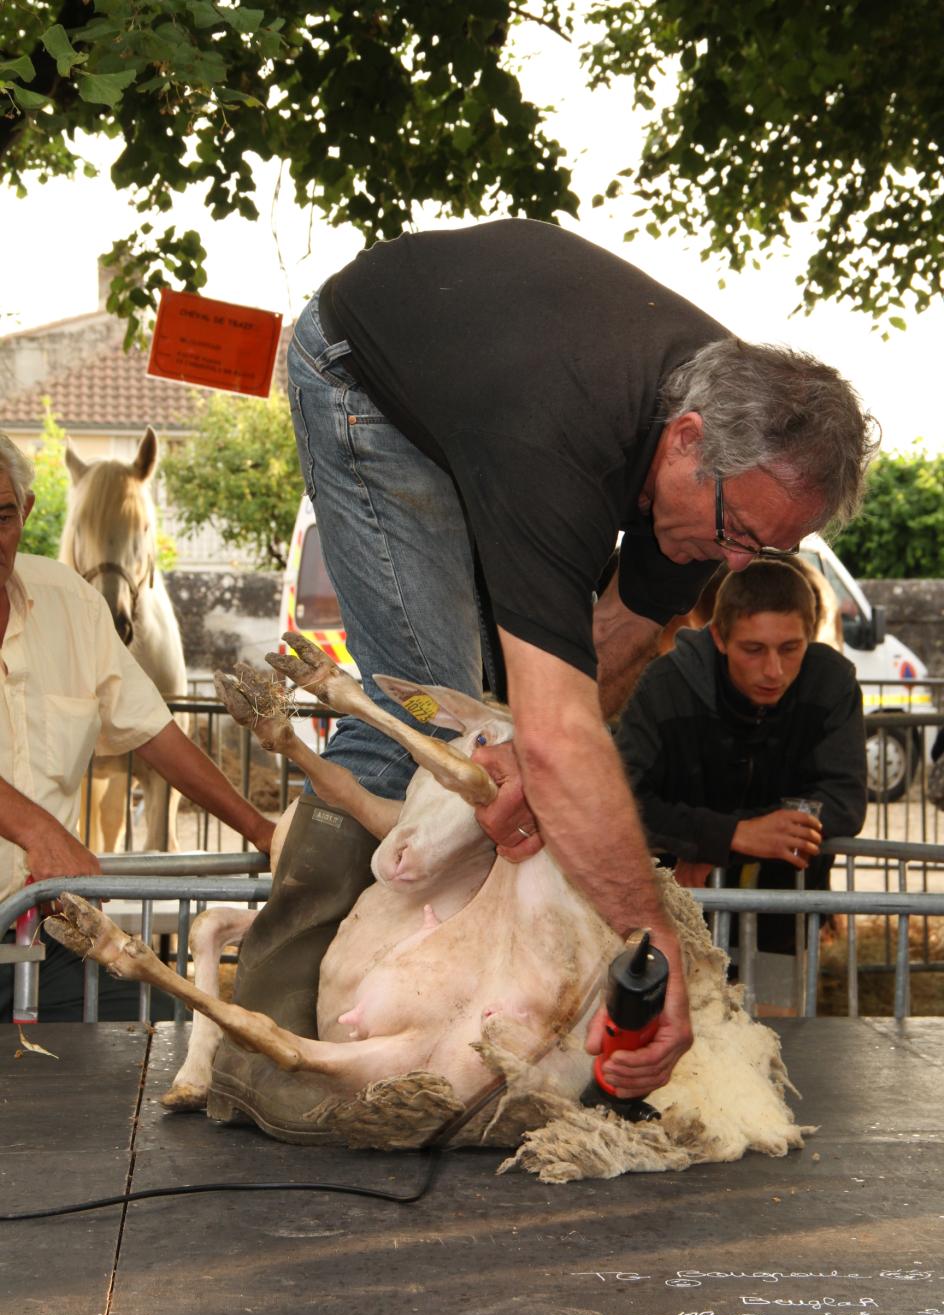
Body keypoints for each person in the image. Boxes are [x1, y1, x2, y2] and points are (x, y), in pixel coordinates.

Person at [211, 219, 877, 1134]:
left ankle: (403, 1018)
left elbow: (622, 638)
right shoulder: (560, 444)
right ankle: (260, 1044)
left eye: (764, 548)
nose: (733, 560)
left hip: (483, 380)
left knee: (488, 735)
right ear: (684, 442)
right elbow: (560, 728)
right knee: (426, 706)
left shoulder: (715, 472)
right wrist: (656, 955)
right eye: (735, 534)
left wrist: (524, 758)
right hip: (360, 365)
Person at [0, 433, 275, 1021]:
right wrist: (37, 829)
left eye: (0, 516)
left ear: (24, 513)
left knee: (160, 1031)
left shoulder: (70, 604)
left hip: (46, 940)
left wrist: (263, 830)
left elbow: (156, 732)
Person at [615, 558, 867, 997]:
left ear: (809, 635)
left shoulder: (833, 682)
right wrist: (733, 834)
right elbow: (621, 803)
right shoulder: (662, 686)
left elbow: (844, 800)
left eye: (791, 648)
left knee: (776, 1044)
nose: (774, 670)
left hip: (782, 912)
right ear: (718, 636)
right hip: (671, 915)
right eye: (754, 649)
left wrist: (722, 840)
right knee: (682, 1044)